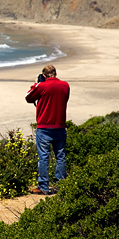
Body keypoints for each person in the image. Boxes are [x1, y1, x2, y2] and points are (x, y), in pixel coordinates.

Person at [25, 64, 70, 195]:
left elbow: (28, 98)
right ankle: (61, 185)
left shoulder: (42, 86)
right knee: (60, 156)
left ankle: (43, 186)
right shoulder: (65, 85)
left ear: (44, 75)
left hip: (44, 126)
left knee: (44, 157)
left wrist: (35, 85)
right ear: (55, 73)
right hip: (60, 125)